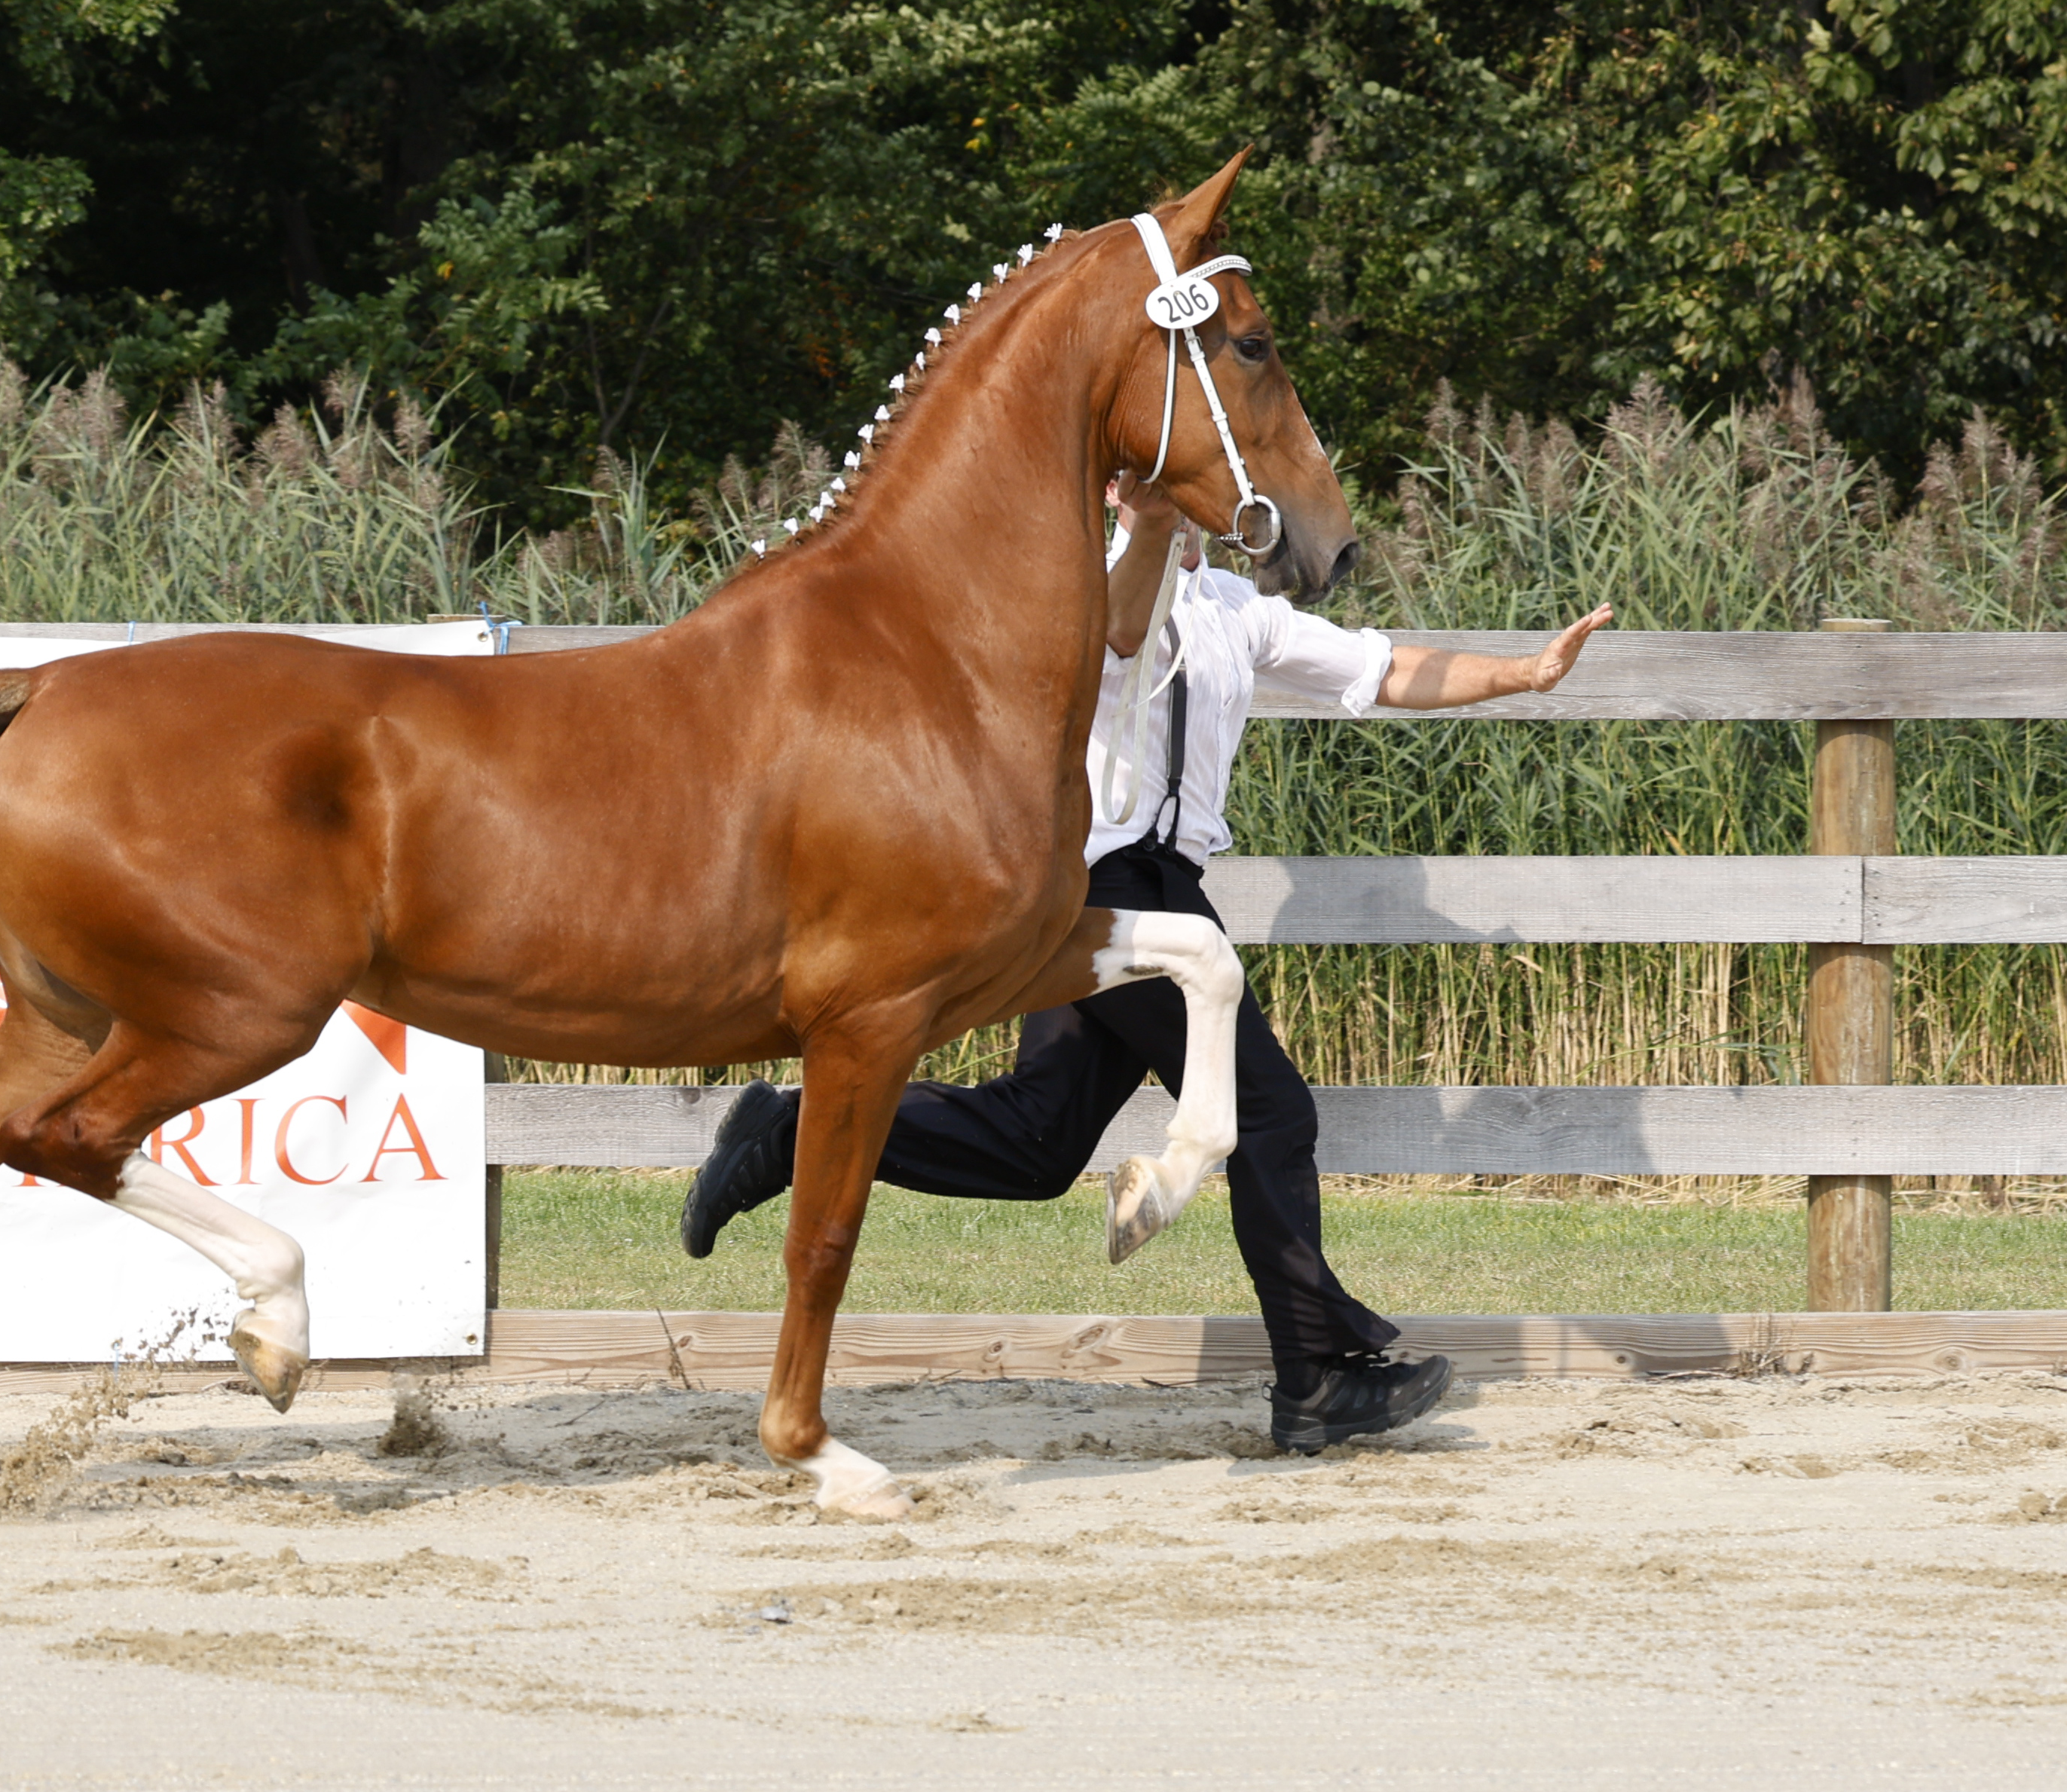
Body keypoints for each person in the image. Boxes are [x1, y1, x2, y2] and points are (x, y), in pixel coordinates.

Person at [681, 479, 1613, 1454]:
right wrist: (1152, 529)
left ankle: (792, 1130)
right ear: (1119, 489)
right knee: (1268, 1111)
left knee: (1037, 1140)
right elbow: (1122, 633)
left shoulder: (1235, 611)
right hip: (1102, 878)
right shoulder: (1077, 585)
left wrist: (1526, 673)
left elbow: (1380, 668)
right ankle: (1315, 1374)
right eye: (1146, 483)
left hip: (1154, 887)